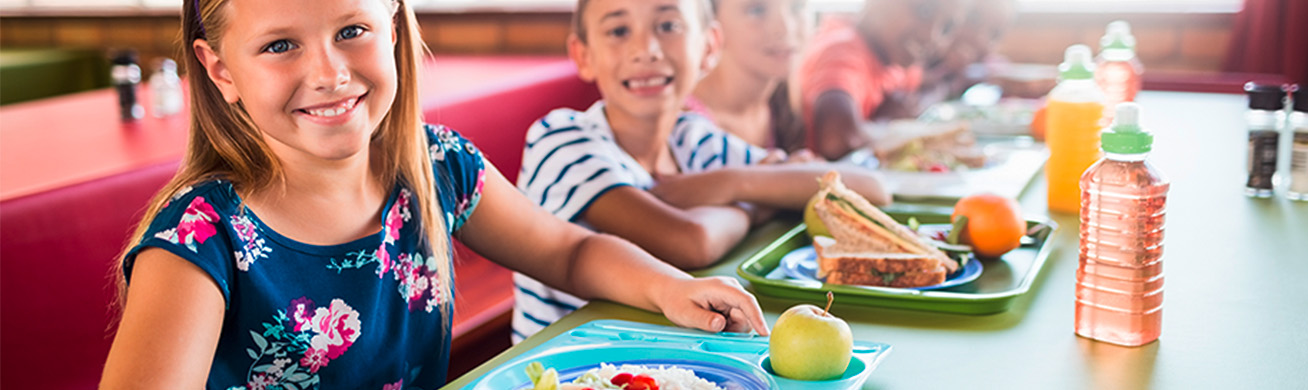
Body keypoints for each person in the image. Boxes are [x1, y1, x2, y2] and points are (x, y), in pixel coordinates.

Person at [98, 0, 770, 388]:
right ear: (220, 70)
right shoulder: (199, 238)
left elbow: (568, 252)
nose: (330, 73)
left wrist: (669, 288)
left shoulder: (434, 165)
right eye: (280, 45)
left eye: (351, 31)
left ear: (392, 27)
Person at [512, 0, 890, 343]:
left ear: (709, 47)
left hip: (666, 351)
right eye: (618, 31)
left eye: (669, 26)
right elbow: (690, 241)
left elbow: (866, 189)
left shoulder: (692, 138)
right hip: (566, 367)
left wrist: (732, 183)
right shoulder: (560, 138)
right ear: (583, 55)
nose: (646, 50)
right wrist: (756, 202)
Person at [797, 0, 969, 160]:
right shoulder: (843, 51)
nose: (931, 35)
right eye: (924, 11)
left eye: (946, 28)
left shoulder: (891, 57)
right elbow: (836, 140)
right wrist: (888, 124)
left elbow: (929, 86)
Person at [688, 0, 811, 152]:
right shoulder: (684, 122)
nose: (786, 28)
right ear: (712, 24)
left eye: (797, 6)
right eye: (756, 10)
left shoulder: (791, 105)